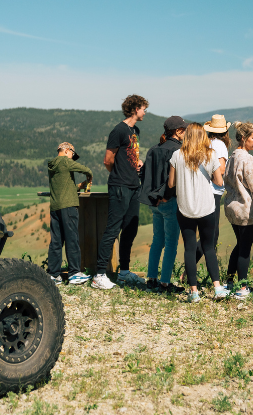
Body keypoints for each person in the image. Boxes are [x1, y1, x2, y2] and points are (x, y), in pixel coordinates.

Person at [168, 123, 229, 302]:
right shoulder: (210, 155)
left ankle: (194, 292)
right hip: (206, 207)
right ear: (203, 136)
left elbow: (171, 184)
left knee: (189, 247)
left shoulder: (177, 155)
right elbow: (218, 182)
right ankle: (217, 288)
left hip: (185, 207)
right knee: (208, 247)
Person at [92, 94, 148, 290]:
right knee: (113, 228)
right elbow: (108, 160)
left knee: (130, 228)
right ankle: (99, 274)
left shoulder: (135, 130)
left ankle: (124, 272)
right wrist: (120, 174)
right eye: (143, 108)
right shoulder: (119, 130)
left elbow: (129, 155)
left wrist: (135, 163)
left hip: (134, 186)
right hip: (120, 186)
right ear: (134, 109)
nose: (145, 111)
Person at [223, 122, 253, 300]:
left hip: (232, 205)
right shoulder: (248, 159)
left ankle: (229, 281)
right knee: (245, 248)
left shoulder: (233, 155)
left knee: (239, 243)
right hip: (246, 208)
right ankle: (242, 287)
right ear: (244, 138)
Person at [140, 116, 188, 293]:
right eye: (184, 130)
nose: (186, 133)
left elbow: (145, 176)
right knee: (171, 243)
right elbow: (174, 180)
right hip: (170, 201)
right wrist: (166, 196)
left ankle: (151, 278)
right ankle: (165, 283)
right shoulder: (178, 151)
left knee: (157, 240)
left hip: (154, 202)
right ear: (177, 132)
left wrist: (154, 197)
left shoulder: (153, 150)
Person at [47, 142, 93, 285]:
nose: (72, 158)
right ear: (67, 151)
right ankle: (74, 273)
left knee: (56, 242)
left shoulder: (53, 165)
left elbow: (65, 186)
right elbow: (86, 169)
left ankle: (53, 275)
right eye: (73, 155)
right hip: (69, 207)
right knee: (72, 239)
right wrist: (89, 177)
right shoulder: (66, 162)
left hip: (55, 207)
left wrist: (80, 186)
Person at [195, 115, 231, 266]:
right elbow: (221, 169)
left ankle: (189, 268)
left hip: (202, 190)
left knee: (207, 232)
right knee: (212, 235)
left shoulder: (206, 143)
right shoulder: (220, 145)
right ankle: (189, 268)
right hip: (214, 191)